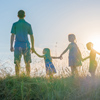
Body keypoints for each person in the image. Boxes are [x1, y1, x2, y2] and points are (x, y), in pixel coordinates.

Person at [10, 10, 35, 76]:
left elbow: (12, 35)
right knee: (27, 62)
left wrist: (11, 46)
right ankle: (28, 76)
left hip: (17, 46)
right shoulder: (28, 25)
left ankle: (17, 76)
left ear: (17, 16)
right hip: (26, 45)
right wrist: (33, 47)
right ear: (24, 16)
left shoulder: (15, 24)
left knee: (17, 63)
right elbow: (32, 36)